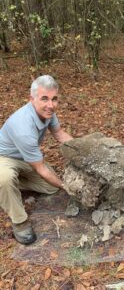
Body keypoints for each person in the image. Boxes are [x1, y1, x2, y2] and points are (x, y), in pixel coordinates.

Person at [0, 75, 73, 245]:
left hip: (24, 159)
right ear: (32, 99)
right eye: (44, 99)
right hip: (3, 158)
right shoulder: (23, 126)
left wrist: (82, 147)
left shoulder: (48, 113)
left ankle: (11, 184)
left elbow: (59, 134)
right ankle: (20, 222)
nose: (50, 105)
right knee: (4, 178)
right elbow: (41, 169)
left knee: (50, 188)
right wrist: (66, 187)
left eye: (54, 99)